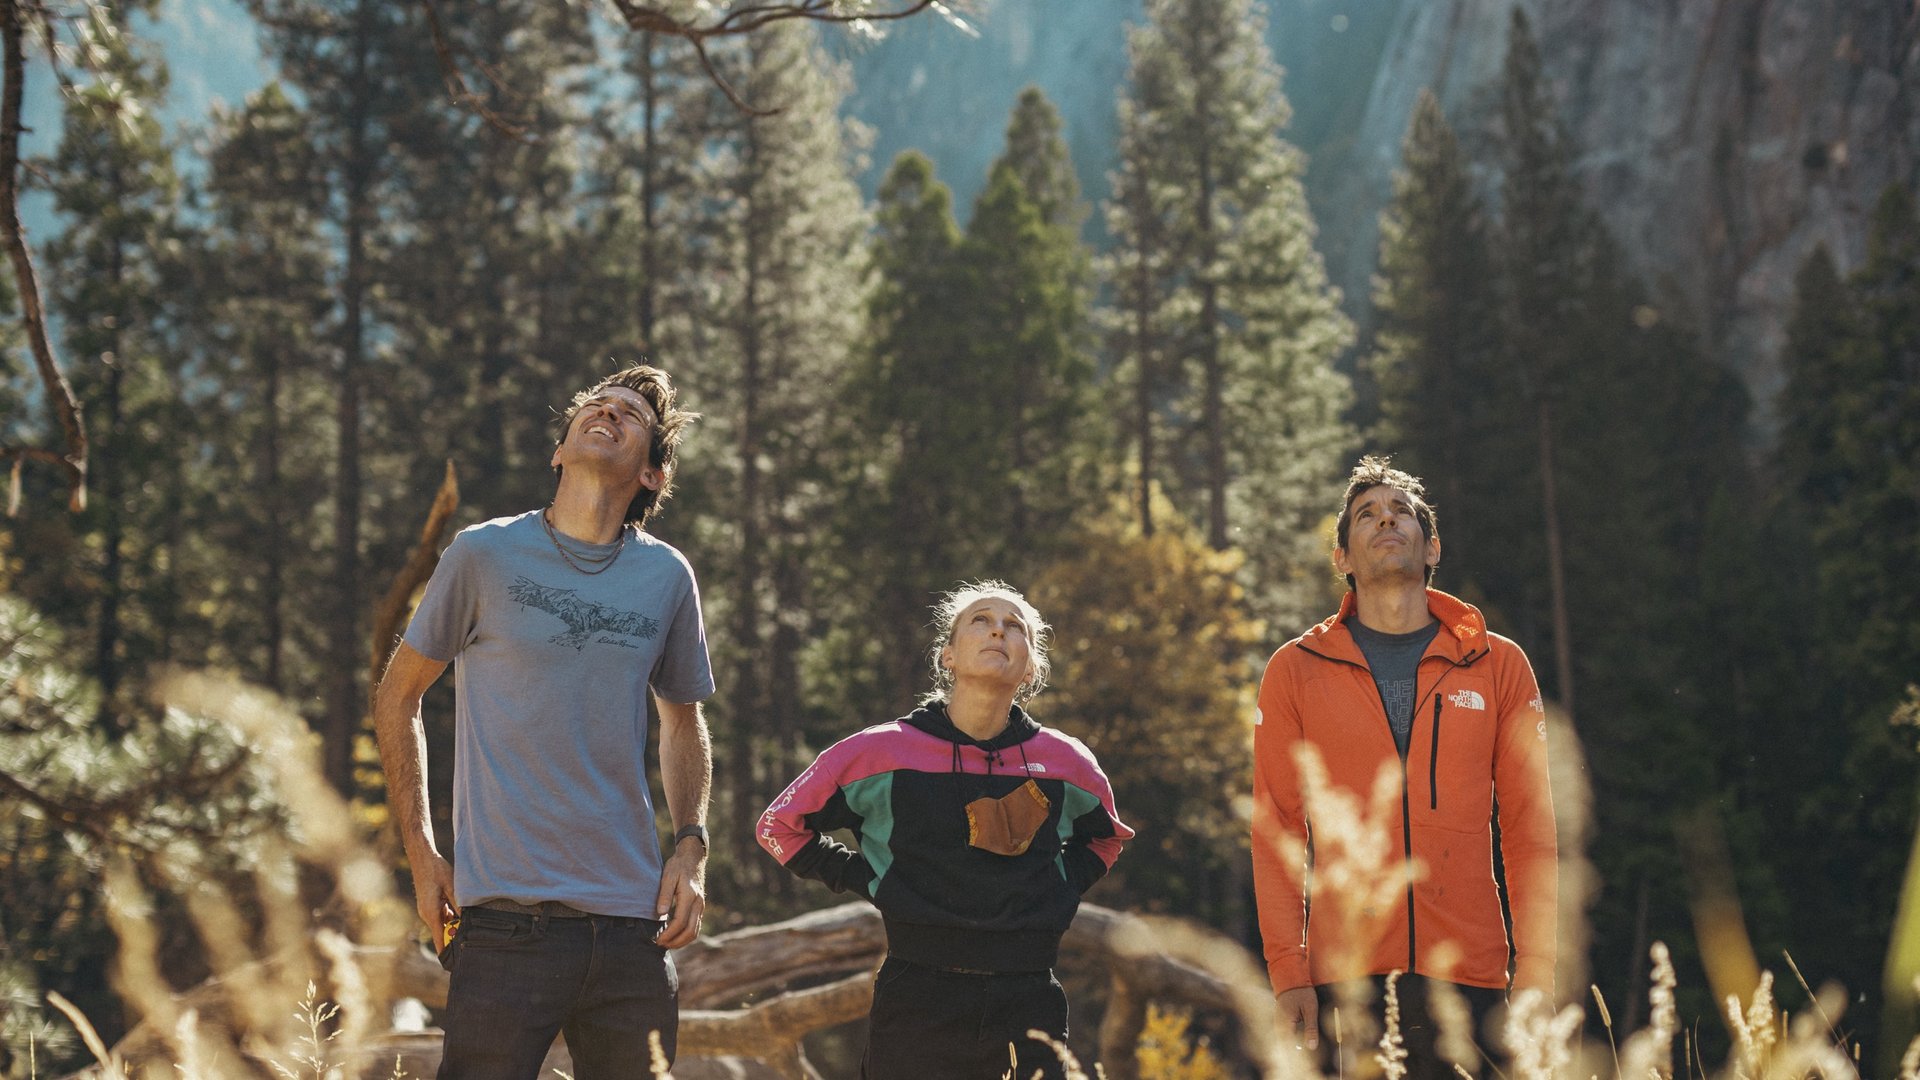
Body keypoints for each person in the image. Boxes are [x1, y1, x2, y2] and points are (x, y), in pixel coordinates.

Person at [372, 364, 715, 1080]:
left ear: (651, 474)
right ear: (559, 452)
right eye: (597, 404)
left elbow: (683, 724)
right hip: (503, 924)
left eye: (630, 415)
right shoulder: (483, 553)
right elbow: (398, 695)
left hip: (632, 930)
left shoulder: (667, 576)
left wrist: (690, 848)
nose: (607, 412)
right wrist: (422, 852)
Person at [1252, 456, 1557, 1078]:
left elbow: (1529, 830)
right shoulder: (1295, 669)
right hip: (1346, 977)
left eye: (1402, 512)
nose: (1386, 520)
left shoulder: (1497, 665)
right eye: (1367, 514)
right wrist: (1289, 971)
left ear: (1432, 547)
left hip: (1472, 977)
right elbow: (1277, 828)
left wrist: (1537, 970)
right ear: (1342, 557)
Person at [758, 581, 1133, 1079]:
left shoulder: (1068, 762)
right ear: (947, 656)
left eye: (1015, 626)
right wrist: (869, 879)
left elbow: (1107, 837)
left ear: (1031, 669)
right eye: (981, 619)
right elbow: (778, 825)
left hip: (1029, 1002)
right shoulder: (878, 752)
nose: (998, 630)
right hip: (917, 1000)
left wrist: (1059, 887)